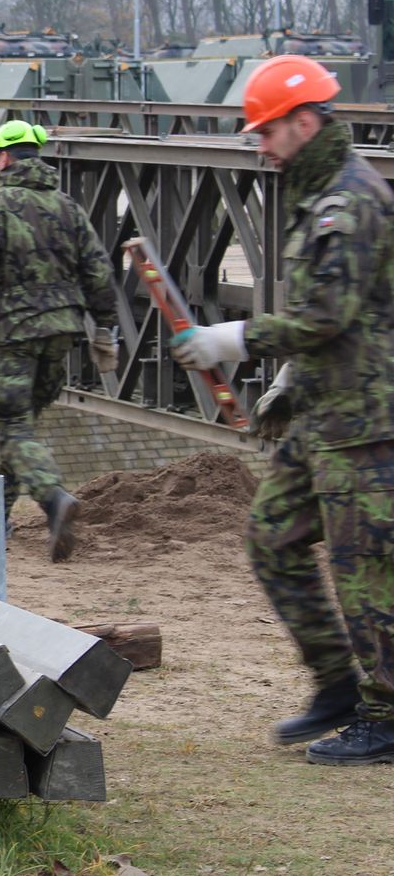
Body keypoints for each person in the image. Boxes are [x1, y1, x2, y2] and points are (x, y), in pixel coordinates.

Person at [170, 54, 394, 766]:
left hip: (366, 420)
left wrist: (233, 339)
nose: (259, 145)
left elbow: (328, 313)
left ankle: (387, 713)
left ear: (305, 122)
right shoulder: (320, 190)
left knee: (366, 568)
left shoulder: (349, 201)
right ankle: (339, 686)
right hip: (329, 409)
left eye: (267, 130)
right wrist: (292, 380)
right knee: (272, 535)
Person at [0, 119, 118, 562]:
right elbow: (98, 270)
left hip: (16, 331)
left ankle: (53, 500)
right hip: (63, 331)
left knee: (13, 426)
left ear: (5, 157)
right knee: (21, 426)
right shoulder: (68, 206)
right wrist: (103, 327)